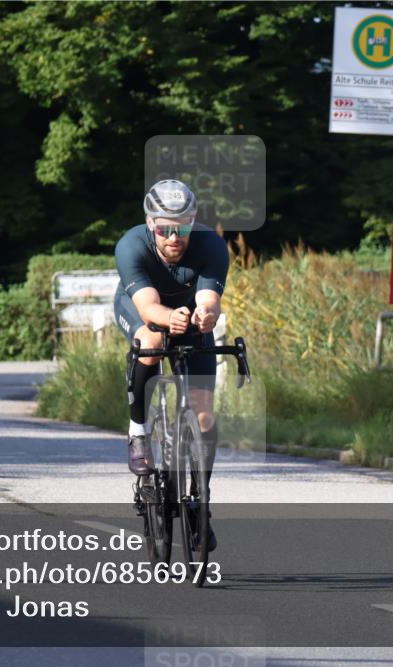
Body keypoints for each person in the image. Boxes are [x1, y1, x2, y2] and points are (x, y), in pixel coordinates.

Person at [114, 179, 228, 547]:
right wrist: (168, 319)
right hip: (141, 307)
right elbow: (148, 308)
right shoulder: (132, 245)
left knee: (204, 415)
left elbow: (209, 299)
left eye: (182, 227)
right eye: (164, 228)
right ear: (151, 224)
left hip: (188, 315)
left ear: (193, 221)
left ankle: (200, 502)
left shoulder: (211, 245)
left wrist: (206, 316)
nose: (174, 237)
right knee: (150, 340)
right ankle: (138, 433)